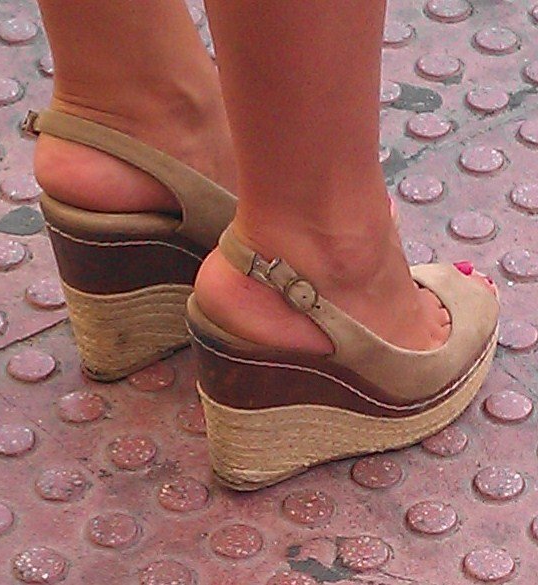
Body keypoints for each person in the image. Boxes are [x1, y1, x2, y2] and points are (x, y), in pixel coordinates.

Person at [29, 1, 499, 490]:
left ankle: (127, 111)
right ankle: (320, 247)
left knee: (125, 92)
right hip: (303, 285)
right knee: (308, 231)